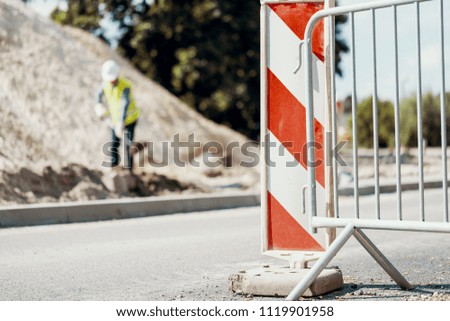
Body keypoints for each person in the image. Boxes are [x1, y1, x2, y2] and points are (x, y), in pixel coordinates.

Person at [95, 60, 140, 173]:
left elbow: (125, 103)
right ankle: (114, 169)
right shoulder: (105, 84)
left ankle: (130, 172)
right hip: (114, 120)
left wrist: (121, 122)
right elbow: (98, 95)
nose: (111, 81)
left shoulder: (125, 85)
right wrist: (98, 105)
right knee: (114, 144)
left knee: (128, 144)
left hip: (130, 120)